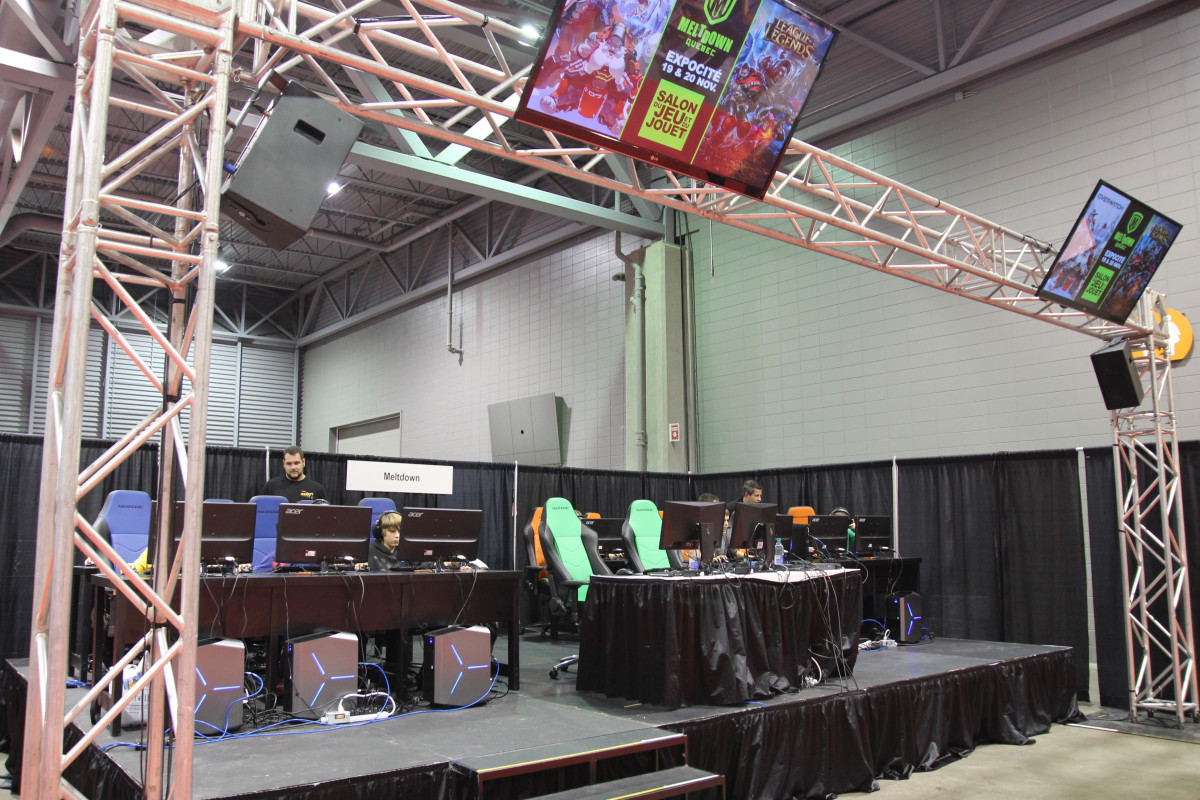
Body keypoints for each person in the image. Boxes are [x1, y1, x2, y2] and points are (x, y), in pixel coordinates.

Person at [261, 446, 327, 503]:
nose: (293, 467)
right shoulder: (271, 486)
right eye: (289, 464)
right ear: (283, 463)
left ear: (303, 462)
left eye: (296, 463)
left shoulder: (317, 489)